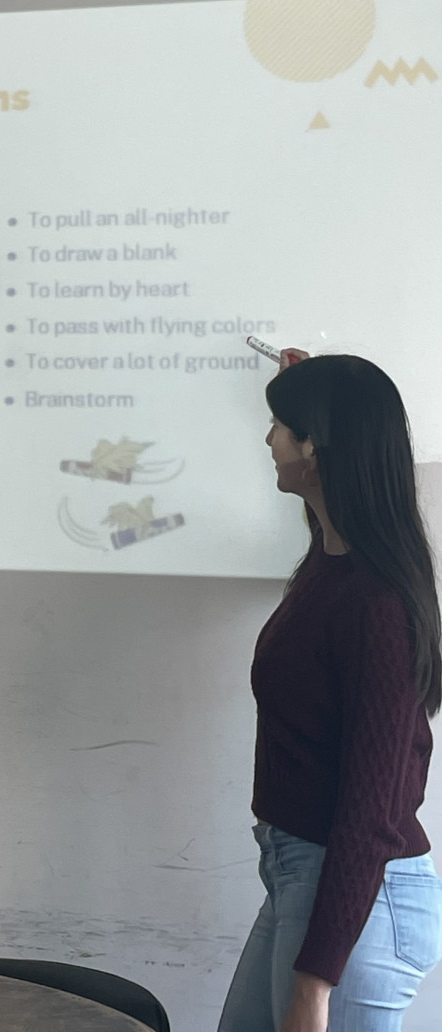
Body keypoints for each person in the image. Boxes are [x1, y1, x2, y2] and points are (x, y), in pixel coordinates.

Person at [217, 351, 442, 1032]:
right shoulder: (332, 565)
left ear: (314, 446)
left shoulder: (375, 604)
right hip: (301, 876)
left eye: (278, 425)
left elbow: (371, 810)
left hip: (355, 898)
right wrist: (313, 380)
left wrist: (314, 986)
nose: (267, 440)